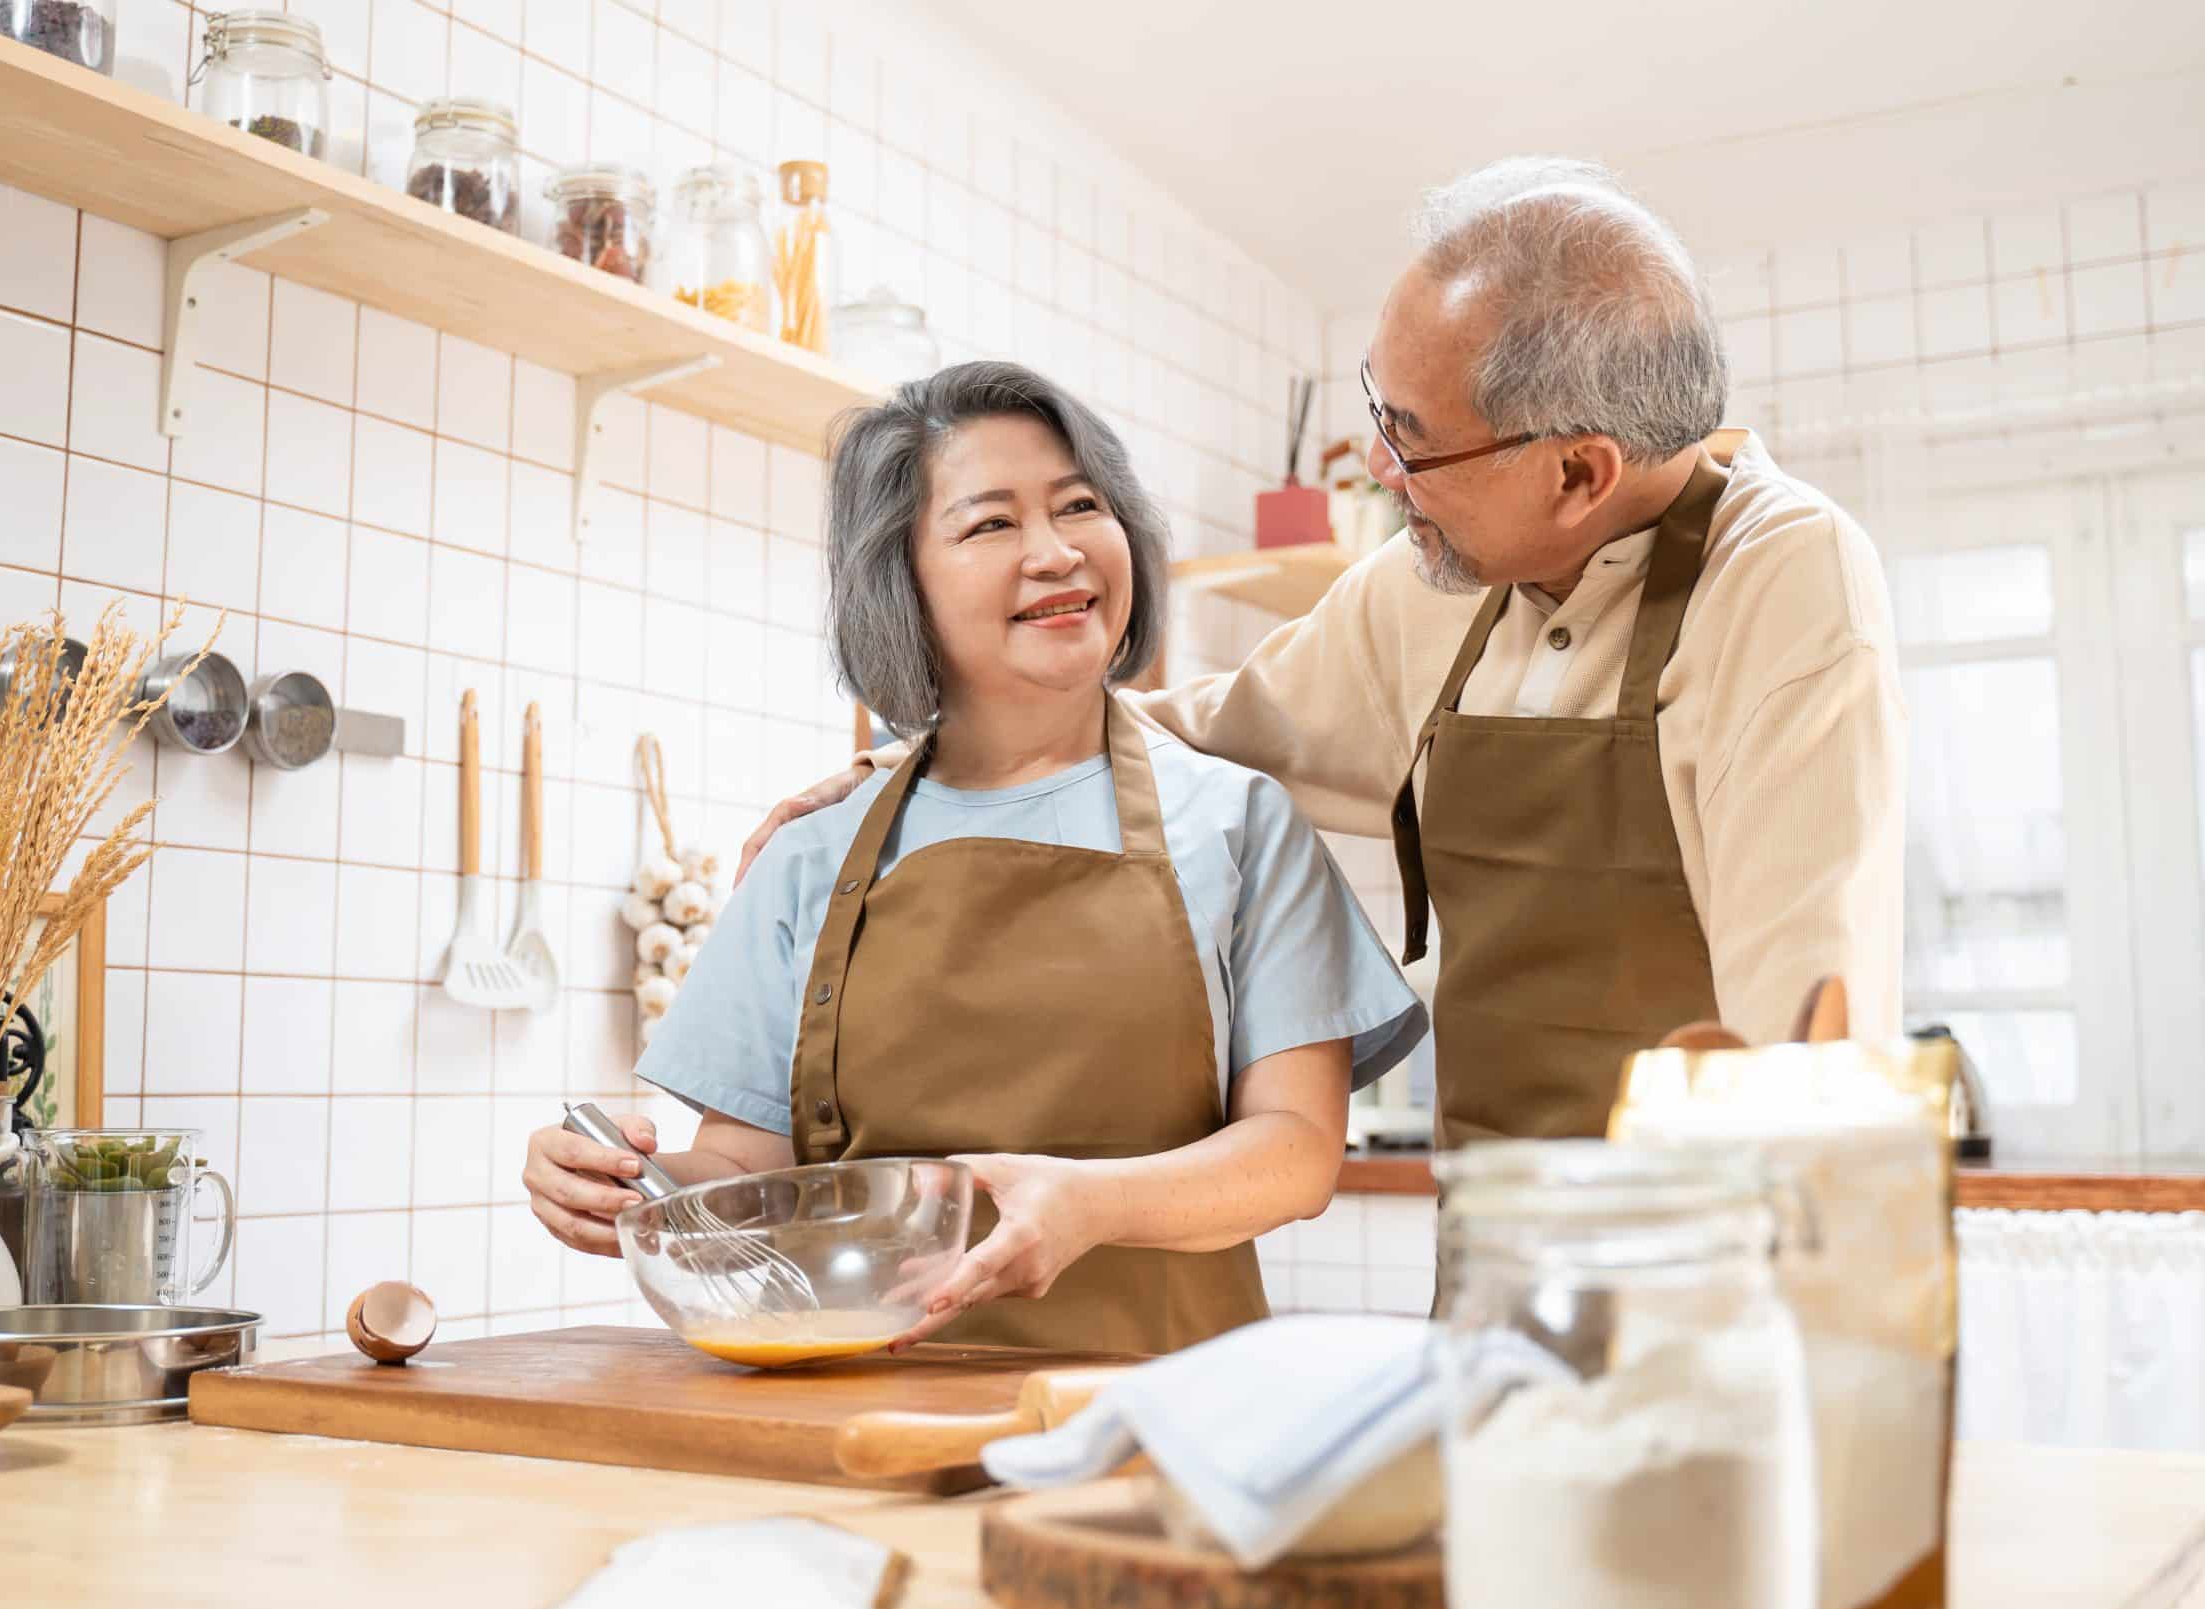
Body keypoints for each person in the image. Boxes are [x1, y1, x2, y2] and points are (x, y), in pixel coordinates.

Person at [737, 157, 1907, 1156]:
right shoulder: (1431, 585)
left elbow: (1806, 1036)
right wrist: (907, 764)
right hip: (1498, 1234)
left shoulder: (1783, 582)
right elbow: (1200, 725)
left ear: (1578, 473)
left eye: (1413, 440)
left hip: (1714, 1262)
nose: (1383, 474)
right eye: (1377, 408)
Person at [523, 361, 1425, 1356]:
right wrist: (621, 1186)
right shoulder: (809, 855)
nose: (1055, 553)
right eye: (990, 523)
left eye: (1080, 507)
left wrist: (1092, 1204)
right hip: (857, 1407)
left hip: (1156, 1416)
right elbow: (744, 1171)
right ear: (898, 581)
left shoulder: (1239, 822)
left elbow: (1295, 1155)